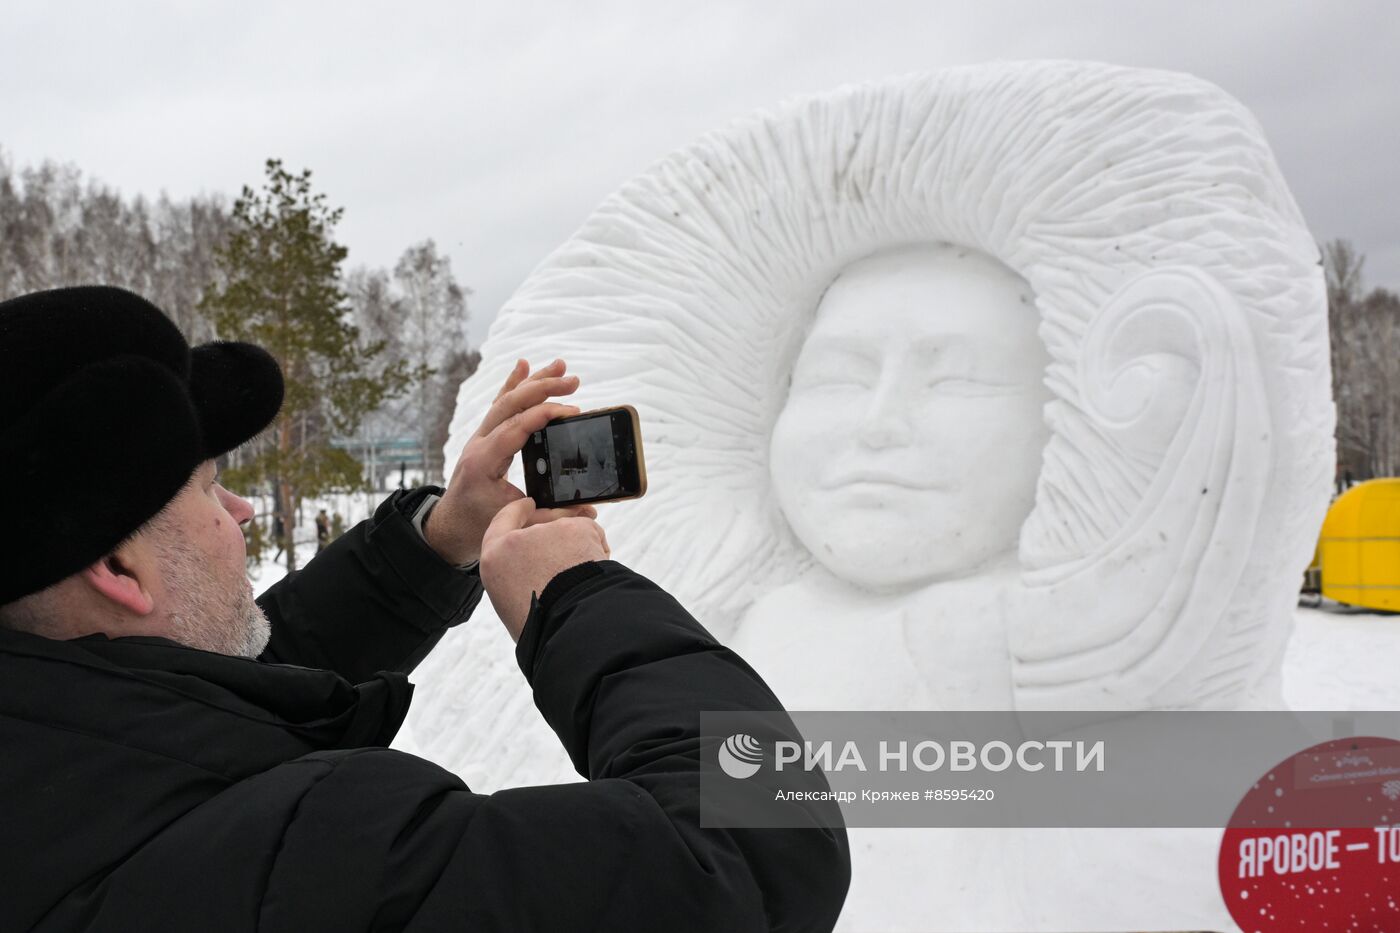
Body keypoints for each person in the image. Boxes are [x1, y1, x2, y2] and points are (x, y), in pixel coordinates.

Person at [0, 286, 850, 931]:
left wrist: (440, 537)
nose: (242, 514)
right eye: (210, 488)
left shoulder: (59, 747)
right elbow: (757, 847)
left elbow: (196, 717)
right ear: (119, 566)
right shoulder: (326, 856)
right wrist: (577, 599)